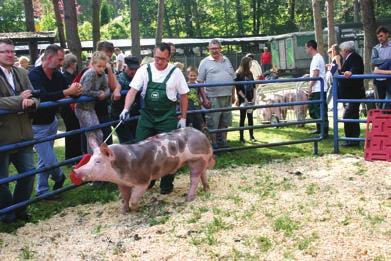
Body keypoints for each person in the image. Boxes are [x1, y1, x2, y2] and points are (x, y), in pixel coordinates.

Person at [120, 42, 189, 194]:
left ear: (169, 57)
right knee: (141, 150)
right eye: (157, 58)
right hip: (147, 116)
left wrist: (183, 117)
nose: (159, 62)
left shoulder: (175, 73)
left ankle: (166, 184)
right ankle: (147, 180)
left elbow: (184, 95)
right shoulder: (144, 70)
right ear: (153, 55)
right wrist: (126, 108)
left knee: (170, 152)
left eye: (163, 59)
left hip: (167, 117)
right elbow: (132, 91)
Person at [29, 44, 82, 197]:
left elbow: (66, 92)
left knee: (44, 159)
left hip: (51, 121)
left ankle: (42, 191)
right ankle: (59, 177)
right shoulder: (34, 75)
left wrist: (77, 90)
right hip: (36, 125)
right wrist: (67, 92)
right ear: (49, 58)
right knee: (49, 159)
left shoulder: (57, 75)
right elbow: (43, 96)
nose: (61, 63)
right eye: (59, 60)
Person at [0, 38, 39, 223]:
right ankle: (7, 214)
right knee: (2, 181)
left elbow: (33, 95)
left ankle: (19, 210)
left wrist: (32, 102)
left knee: (29, 172)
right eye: (5, 51)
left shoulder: (22, 72)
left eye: (12, 51)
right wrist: (18, 100)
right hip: (3, 136)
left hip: (24, 132)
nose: (10, 54)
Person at [197, 39, 235, 149]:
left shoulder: (227, 60)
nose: (215, 50)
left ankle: (224, 141)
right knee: (213, 122)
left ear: (220, 48)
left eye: (216, 48)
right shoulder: (204, 62)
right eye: (212, 48)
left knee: (225, 120)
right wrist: (204, 99)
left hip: (227, 96)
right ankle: (214, 144)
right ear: (209, 49)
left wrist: (233, 95)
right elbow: (199, 82)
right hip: (212, 97)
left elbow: (232, 78)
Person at [75, 52, 110, 153]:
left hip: (91, 108)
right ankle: (92, 158)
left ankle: (98, 156)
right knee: (91, 134)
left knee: (99, 134)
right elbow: (85, 90)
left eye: (104, 67)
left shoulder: (102, 74)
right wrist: (98, 93)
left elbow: (106, 88)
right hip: (82, 108)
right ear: (93, 64)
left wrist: (105, 94)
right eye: (99, 66)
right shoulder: (91, 73)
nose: (101, 69)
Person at [338, 41, 365, 147]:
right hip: (352, 93)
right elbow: (346, 70)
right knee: (351, 115)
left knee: (350, 115)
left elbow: (355, 68)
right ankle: (351, 140)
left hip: (354, 92)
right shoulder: (350, 58)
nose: (340, 52)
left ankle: (352, 140)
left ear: (346, 50)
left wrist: (350, 72)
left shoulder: (355, 57)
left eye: (341, 50)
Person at [96, 41, 122, 146]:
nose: (107, 59)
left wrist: (117, 89)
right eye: (106, 55)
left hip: (103, 109)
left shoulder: (107, 67)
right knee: (93, 141)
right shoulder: (93, 68)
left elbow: (115, 85)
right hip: (91, 110)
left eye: (109, 57)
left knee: (107, 140)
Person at [111, 56, 141, 144]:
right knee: (127, 142)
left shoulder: (138, 77)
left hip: (134, 114)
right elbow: (119, 83)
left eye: (136, 69)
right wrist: (117, 89)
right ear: (125, 67)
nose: (133, 71)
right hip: (119, 114)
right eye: (131, 68)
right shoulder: (119, 78)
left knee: (136, 140)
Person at [61, 53, 84, 159]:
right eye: (75, 62)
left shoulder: (72, 76)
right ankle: (71, 157)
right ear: (71, 64)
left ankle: (76, 155)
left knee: (75, 130)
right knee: (72, 130)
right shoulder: (64, 77)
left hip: (72, 107)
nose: (76, 65)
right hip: (68, 108)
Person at [305, 40, 328, 136]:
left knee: (318, 110)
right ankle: (319, 128)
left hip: (318, 88)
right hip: (318, 88)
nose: (306, 50)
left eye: (306, 48)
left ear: (310, 47)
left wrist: (310, 86)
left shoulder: (317, 58)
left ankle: (324, 131)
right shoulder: (316, 58)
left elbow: (316, 73)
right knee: (315, 109)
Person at [235, 56, 256, 143]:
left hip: (250, 98)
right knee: (242, 118)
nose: (251, 64)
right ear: (246, 64)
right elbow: (238, 88)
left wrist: (254, 97)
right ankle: (241, 137)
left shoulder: (250, 73)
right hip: (243, 99)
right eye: (250, 63)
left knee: (250, 117)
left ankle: (251, 136)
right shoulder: (238, 74)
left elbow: (254, 86)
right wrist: (244, 98)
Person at [371, 26, 391, 108]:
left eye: (381, 36)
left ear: (387, 34)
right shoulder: (375, 48)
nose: (380, 38)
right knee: (380, 101)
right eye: (378, 37)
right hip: (380, 79)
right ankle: (381, 118)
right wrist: (387, 61)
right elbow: (374, 61)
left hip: (389, 77)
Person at [186, 66, 204, 131]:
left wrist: (201, 101)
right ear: (188, 75)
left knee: (198, 124)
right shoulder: (185, 85)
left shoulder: (198, 85)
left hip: (197, 108)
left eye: (194, 75)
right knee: (189, 125)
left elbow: (201, 95)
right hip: (188, 108)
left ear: (197, 75)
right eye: (191, 75)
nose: (193, 77)